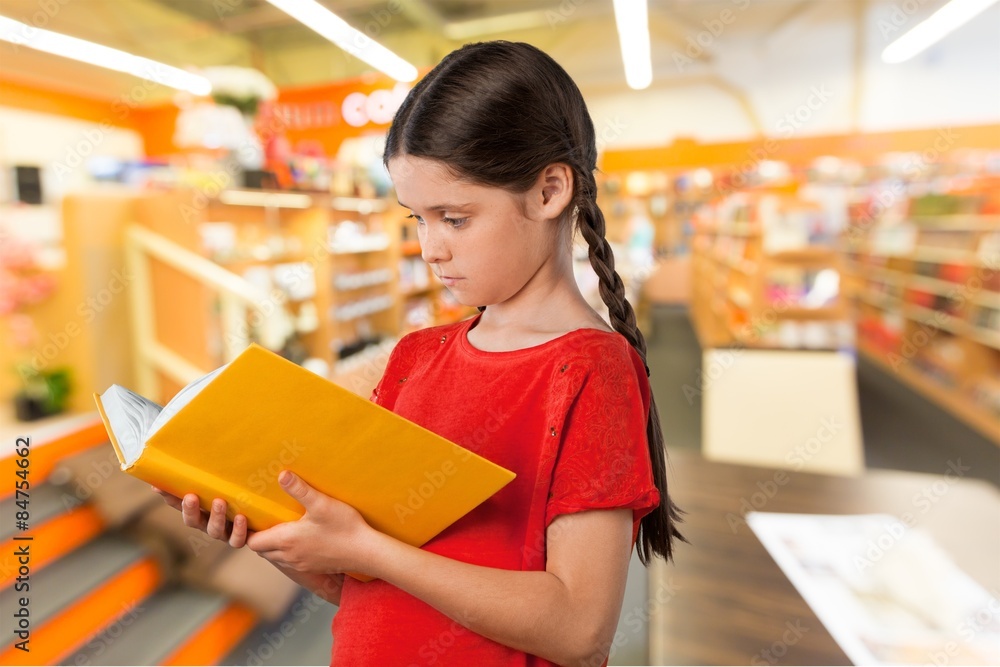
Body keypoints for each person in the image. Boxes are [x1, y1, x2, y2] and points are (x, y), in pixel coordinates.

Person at [156, 40, 684, 666]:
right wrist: (267, 529)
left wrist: (370, 551)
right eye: (416, 219)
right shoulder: (415, 357)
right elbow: (365, 588)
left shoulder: (591, 371)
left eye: (454, 218)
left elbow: (578, 628)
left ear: (548, 192)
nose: (430, 249)